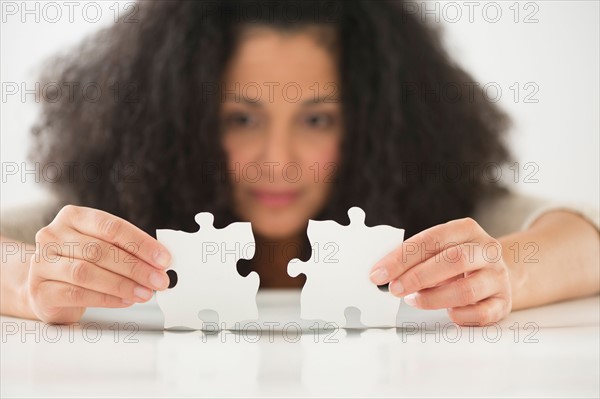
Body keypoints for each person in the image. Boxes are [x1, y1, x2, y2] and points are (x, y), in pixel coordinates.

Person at [1, 0, 598, 327]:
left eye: (316, 120)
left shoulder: (436, 207)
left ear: (370, 120)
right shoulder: (125, 205)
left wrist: (504, 272)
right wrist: (34, 283)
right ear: (182, 119)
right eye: (241, 118)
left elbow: (586, 238)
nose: (279, 162)